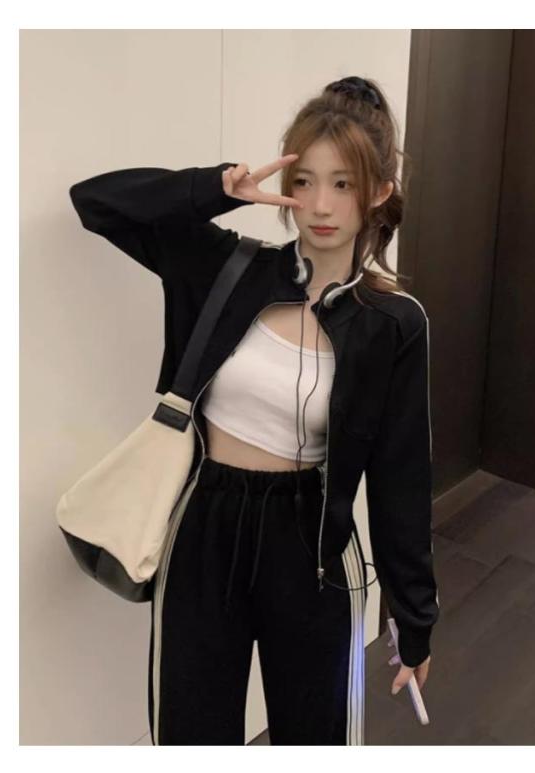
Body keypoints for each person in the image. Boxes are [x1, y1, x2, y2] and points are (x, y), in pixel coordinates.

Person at [68, 75, 440, 746]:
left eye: (344, 184)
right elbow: (97, 202)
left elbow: (400, 482)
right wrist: (213, 189)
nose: (319, 205)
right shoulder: (228, 267)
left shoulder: (393, 322)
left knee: (317, 737)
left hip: (314, 545)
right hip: (203, 525)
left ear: (379, 192)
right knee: (189, 733)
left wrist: (414, 621)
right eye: (305, 181)